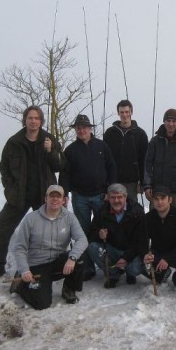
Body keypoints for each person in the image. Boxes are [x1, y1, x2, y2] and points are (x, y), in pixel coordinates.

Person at [0, 106, 64, 283]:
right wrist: (10, 189)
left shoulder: (49, 139)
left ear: (41, 121)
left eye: (37, 118)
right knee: (1, 228)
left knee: (48, 232)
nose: (33, 121)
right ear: (25, 120)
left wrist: (51, 151)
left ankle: (50, 267)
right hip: (19, 195)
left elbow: (59, 166)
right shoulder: (14, 142)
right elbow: (4, 168)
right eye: (30, 118)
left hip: (44, 196)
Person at [11, 185, 88, 310]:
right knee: (42, 304)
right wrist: (24, 269)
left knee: (80, 256)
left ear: (64, 200)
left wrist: (72, 258)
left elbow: (82, 239)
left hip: (57, 264)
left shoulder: (69, 218)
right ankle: (20, 285)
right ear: (45, 198)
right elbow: (20, 248)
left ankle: (69, 289)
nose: (55, 199)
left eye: (58, 197)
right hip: (37, 266)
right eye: (52, 196)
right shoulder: (31, 219)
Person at [59, 114, 116, 280]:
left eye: (84, 127)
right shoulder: (70, 150)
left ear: (90, 128)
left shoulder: (102, 146)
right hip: (80, 197)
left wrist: (110, 190)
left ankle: (108, 264)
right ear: (75, 130)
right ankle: (87, 267)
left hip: (100, 196)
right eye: (78, 128)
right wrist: (64, 193)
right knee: (82, 232)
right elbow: (65, 174)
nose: (81, 130)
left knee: (103, 230)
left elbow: (112, 168)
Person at [87, 183, 144, 288]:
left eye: (119, 197)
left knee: (135, 269)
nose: (116, 200)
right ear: (108, 198)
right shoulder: (102, 211)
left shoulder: (137, 211)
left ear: (125, 197)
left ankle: (129, 273)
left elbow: (140, 240)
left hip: (130, 251)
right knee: (92, 247)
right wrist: (99, 234)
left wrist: (126, 258)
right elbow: (91, 233)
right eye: (113, 197)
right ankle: (113, 274)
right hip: (112, 249)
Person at [144, 108, 176, 217]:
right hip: (158, 191)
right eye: (168, 121)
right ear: (164, 122)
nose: (171, 124)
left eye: (174, 121)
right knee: (156, 221)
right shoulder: (155, 141)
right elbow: (148, 164)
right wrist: (147, 185)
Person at [143, 186, 176, 293]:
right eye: (156, 199)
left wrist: (167, 258)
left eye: (163, 198)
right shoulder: (148, 218)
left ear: (170, 199)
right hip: (157, 252)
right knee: (140, 263)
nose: (160, 202)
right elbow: (143, 240)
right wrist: (146, 254)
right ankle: (161, 274)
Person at [103, 100, 149, 203]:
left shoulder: (140, 134)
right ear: (118, 113)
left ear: (131, 112)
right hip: (113, 181)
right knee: (112, 209)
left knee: (131, 211)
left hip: (131, 183)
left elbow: (144, 160)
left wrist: (142, 182)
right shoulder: (109, 133)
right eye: (122, 112)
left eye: (127, 112)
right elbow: (104, 158)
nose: (124, 115)